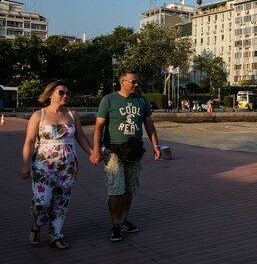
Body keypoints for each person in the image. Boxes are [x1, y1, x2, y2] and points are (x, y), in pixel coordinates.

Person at [21, 80, 94, 250]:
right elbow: (30, 141)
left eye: (67, 93)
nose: (65, 95)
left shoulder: (72, 114)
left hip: (68, 164)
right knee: (42, 202)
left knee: (62, 200)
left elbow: (81, 136)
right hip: (44, 164)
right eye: (61, 92)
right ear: (51, 94)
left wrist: (92, 153)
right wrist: (25, 165)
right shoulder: (39, 115)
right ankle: (36, 225)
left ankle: (56, 236)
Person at [90, 70, 161, 242]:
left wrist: (155, 145)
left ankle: (123, 220)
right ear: (122, 82)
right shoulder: (109, 100)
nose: (137, 85)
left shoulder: (141, 100)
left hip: (134, 151)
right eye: (133, 82)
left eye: (137, 82)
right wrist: (96, 149)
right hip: (113, 150)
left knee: (130, 187)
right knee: (116, 188)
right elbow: (99, 126)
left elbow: (149, 124)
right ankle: (115, 224)